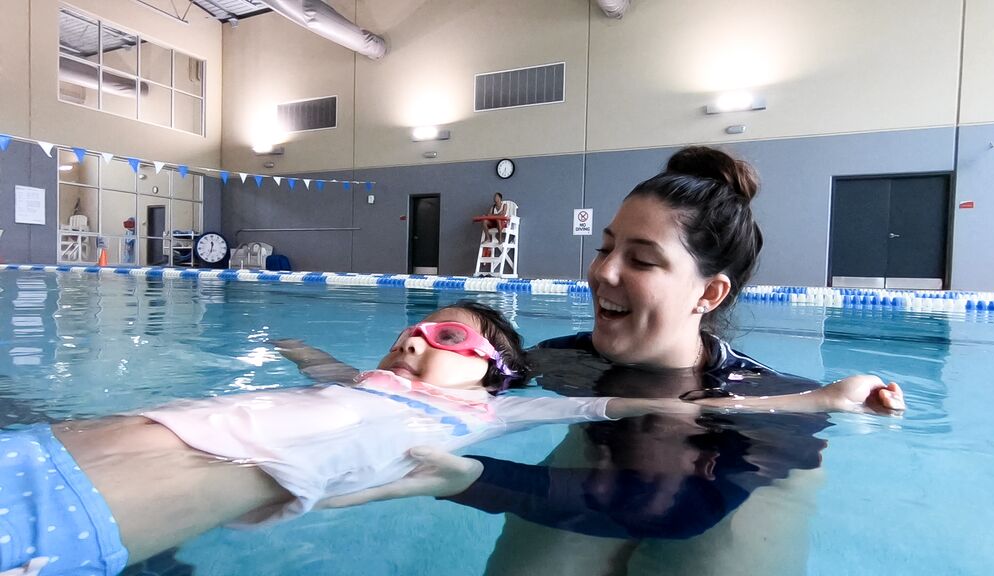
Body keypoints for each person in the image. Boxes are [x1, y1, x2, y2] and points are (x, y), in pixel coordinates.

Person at [0, 302, 900, 576]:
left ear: (494, 375)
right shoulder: (372, 382)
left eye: (453, 338)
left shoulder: (498, 413)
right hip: (43, 448)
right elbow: (331, 377)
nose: (421, 339)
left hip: (75, 518)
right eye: (419, 328)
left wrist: (828, 393)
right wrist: (292, 345)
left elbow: (630, 412)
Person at [349, 146, 906, 575]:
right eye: (605, 247)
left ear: (708, 295)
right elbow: (467, 372)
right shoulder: (566, 363)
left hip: (735, 497)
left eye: (640, 259)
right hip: (608, 470)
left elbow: (680, 512)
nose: (604, 273)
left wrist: (469, 478)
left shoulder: (767, 401)